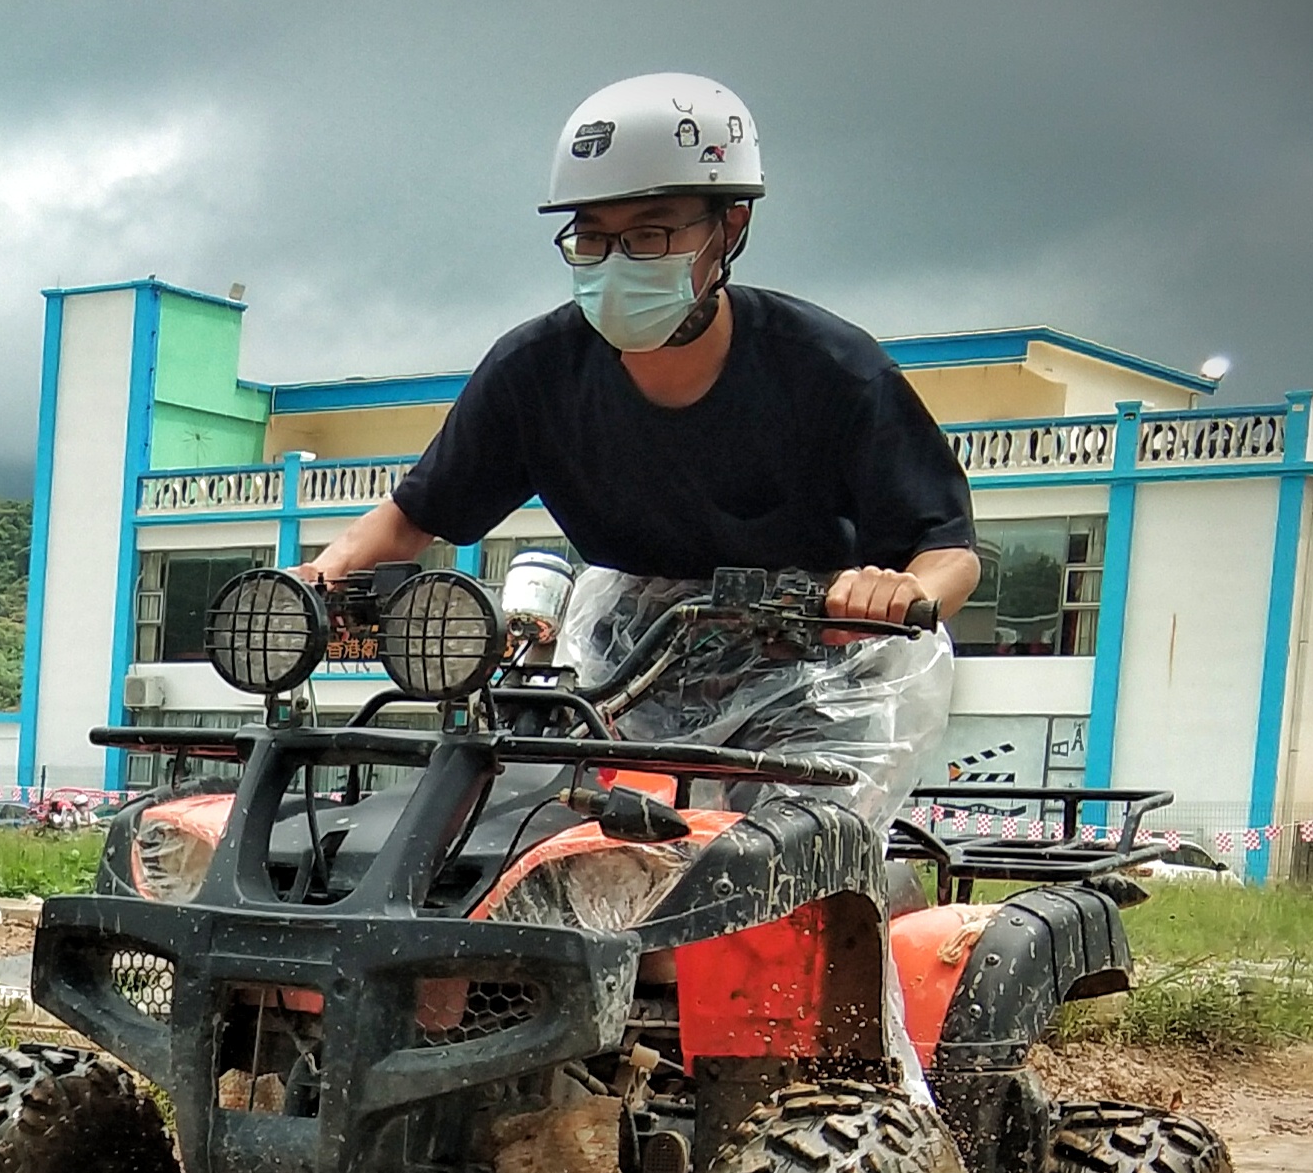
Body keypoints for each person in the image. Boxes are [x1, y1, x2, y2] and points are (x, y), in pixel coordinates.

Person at [295, 73, 977, 824]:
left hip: (812, 678)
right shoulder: (537, 370)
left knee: (781, 882)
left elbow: (946, 550)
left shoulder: (831, 371)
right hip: (619, 681)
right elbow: (413, 514)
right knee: (533, 852)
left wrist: (897, 594)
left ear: (732, 226)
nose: (618, 260)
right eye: (592, 236)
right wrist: (317, 581)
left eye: (651, 234)